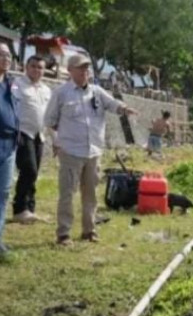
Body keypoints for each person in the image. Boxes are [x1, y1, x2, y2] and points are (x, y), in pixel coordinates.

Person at [44, 54, 137, 246]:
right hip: (70, 151)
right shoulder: (61, 93)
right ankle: (63, 234)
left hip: (94, 152)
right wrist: (57, 142)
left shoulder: (97, 92)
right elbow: (50, 122)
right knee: (67, 194)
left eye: (87, 68)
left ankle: (89, 231)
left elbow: (113, 104)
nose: (85, 71)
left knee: (91, 194)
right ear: (70, 70)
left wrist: (125, 108)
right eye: (80, 68)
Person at [11, 56, 52, 223]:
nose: (37, 70)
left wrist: (55, 140)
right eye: (33, 66)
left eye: (40, 67)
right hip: (22, 132)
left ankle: (30, 208)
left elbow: (50, 116)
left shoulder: (46, 90)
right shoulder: (17, 85)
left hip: (39, 135)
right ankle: (19, 208)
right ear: (26, 67)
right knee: (29, 170)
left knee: (34, 174)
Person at [0, 43, 19, 257]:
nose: (6, 58)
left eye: (8, 55)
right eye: (1, 55)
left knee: (3, 193)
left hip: (9, 144)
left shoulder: (11, 84)